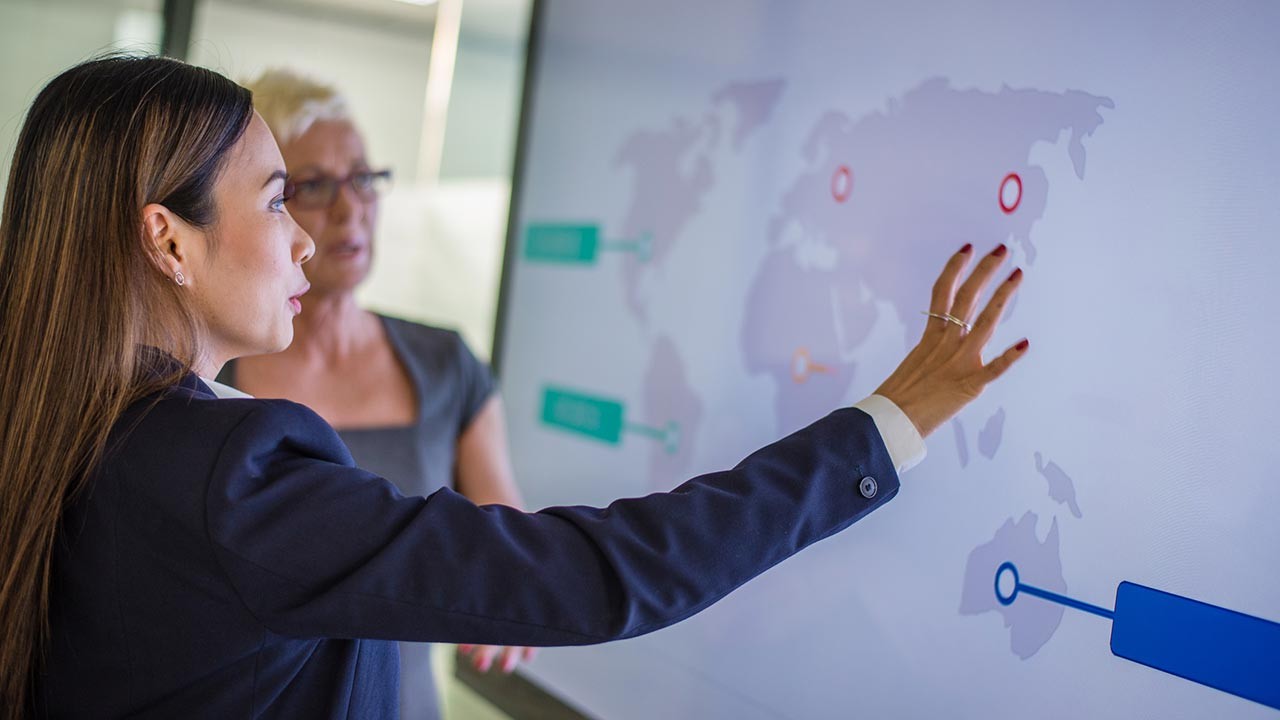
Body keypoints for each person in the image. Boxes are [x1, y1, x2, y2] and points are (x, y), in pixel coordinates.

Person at [0, 56, 1028, 719]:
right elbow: (586, 575)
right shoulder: (226, 470)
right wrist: (882, 428)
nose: (312, 234)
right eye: (279, 201)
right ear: (167, 240)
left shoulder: (76, 433)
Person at [209, 69, 531, 717]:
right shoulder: (214, 373)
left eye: (363, 179)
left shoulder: (447, 364)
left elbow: (507, 545)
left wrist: (510, 604)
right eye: (313, 186)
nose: (349, 207)